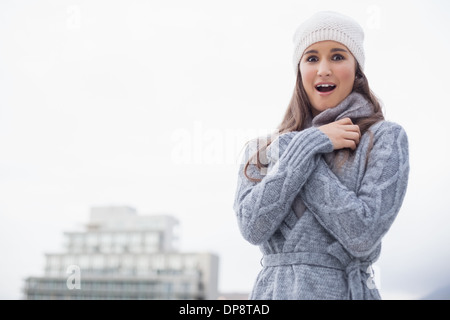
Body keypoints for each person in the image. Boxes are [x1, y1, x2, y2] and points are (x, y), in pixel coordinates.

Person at [233, 10, 410, 300]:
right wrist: (311, 142)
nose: (323, 68)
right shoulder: (263, 149)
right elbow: (253, 227)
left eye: (338, 56)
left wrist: (299, 150)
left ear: (357, 70)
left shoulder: (384, 138)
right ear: (299, 70)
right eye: (312, 58)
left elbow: (362, 236)